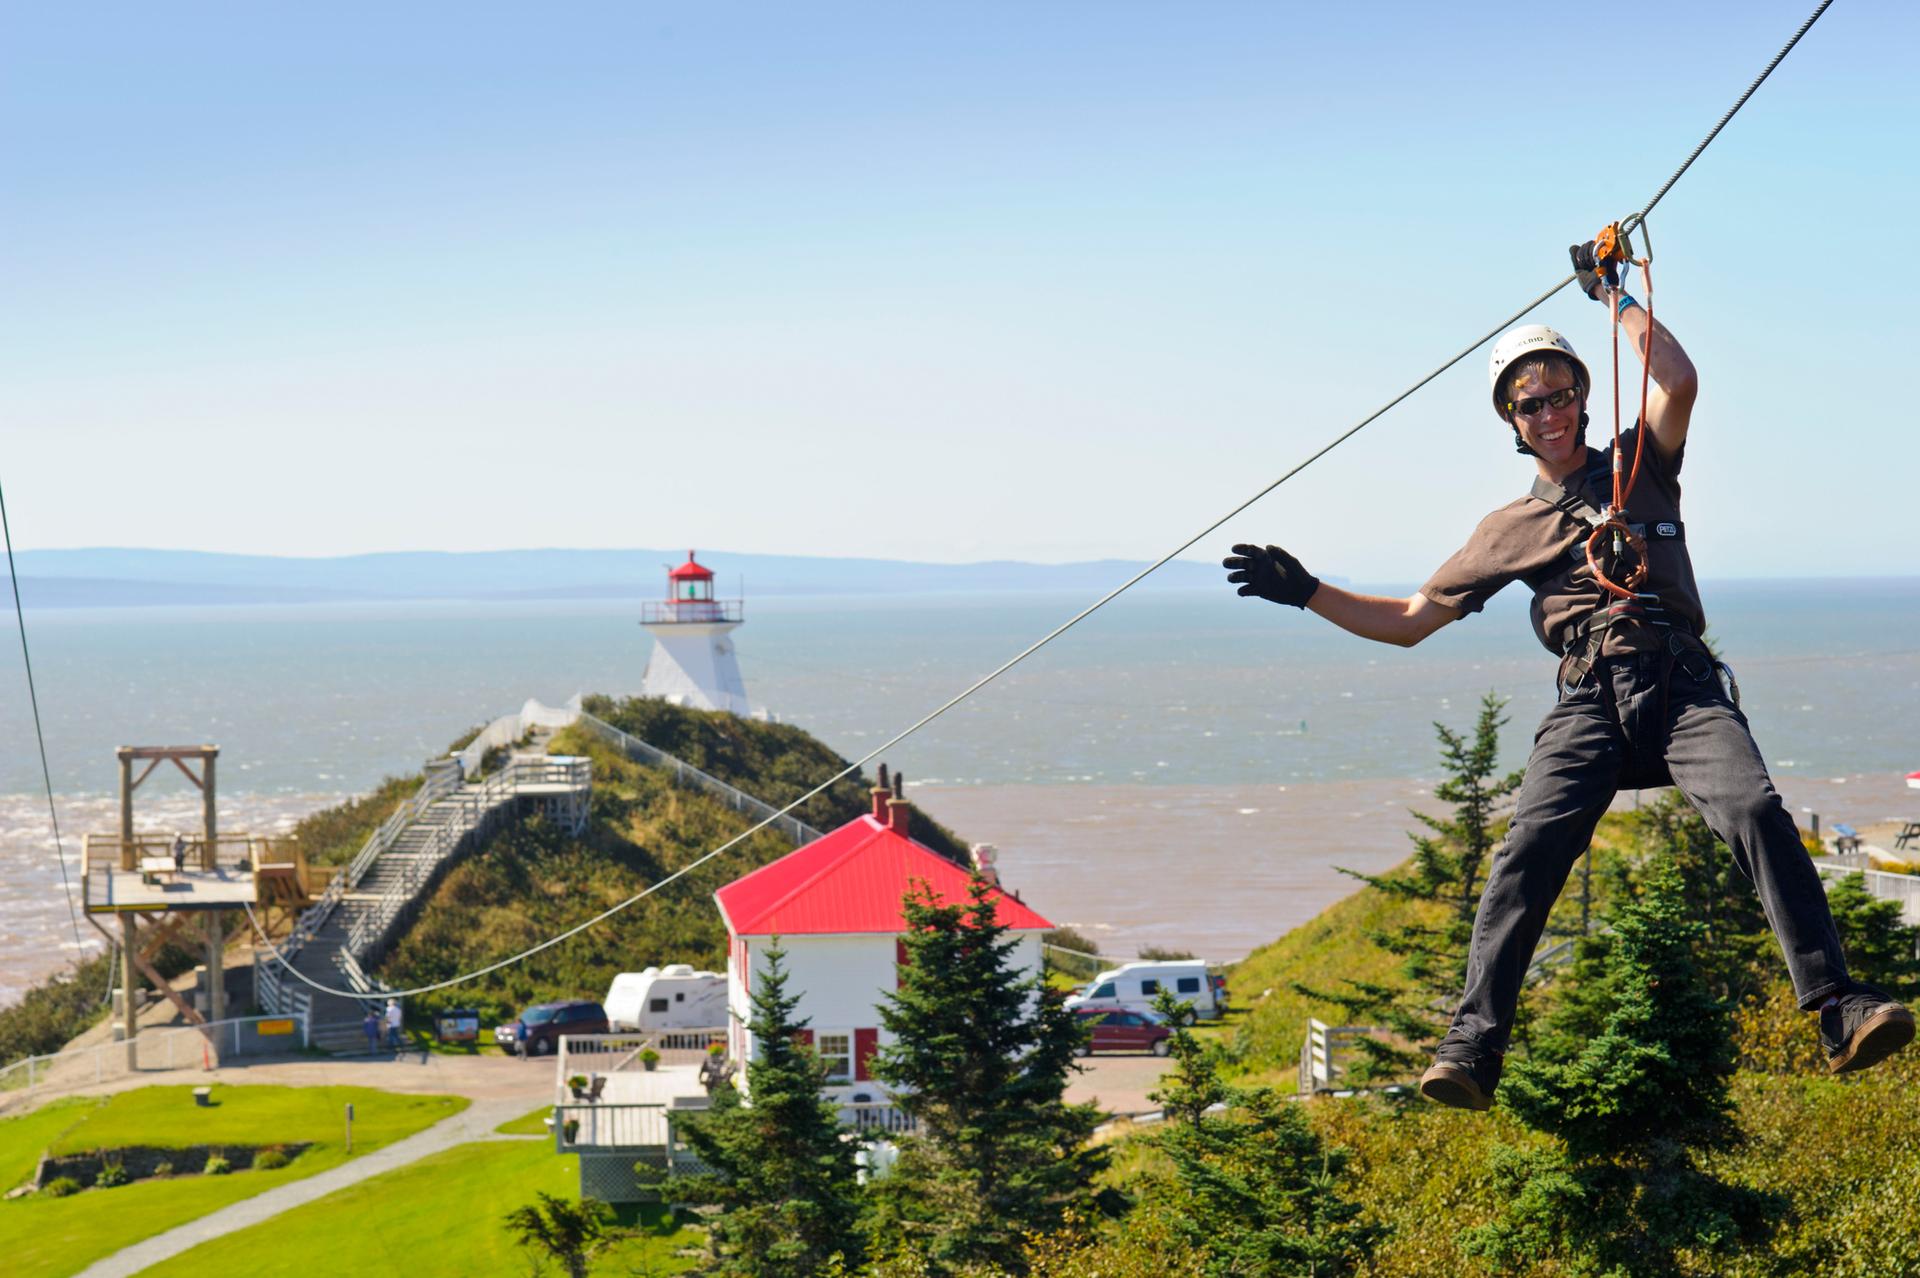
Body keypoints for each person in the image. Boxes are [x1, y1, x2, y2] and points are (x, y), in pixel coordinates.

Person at [1223, 237, 1915, 1111]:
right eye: (1527, 404)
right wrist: (1308, 592)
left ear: (1583, 396)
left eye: (1557, 394)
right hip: (1588, 699)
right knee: (1527, 850)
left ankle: (1840, 1008)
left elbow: (1679, 381)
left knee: (1754, 810)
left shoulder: (1640, 462)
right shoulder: (1506, 528)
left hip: (1683, 685)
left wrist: (1613, 293)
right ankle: (1473, 1047)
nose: (1546, 411)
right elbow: (1408, 623)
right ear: (1510, 423)